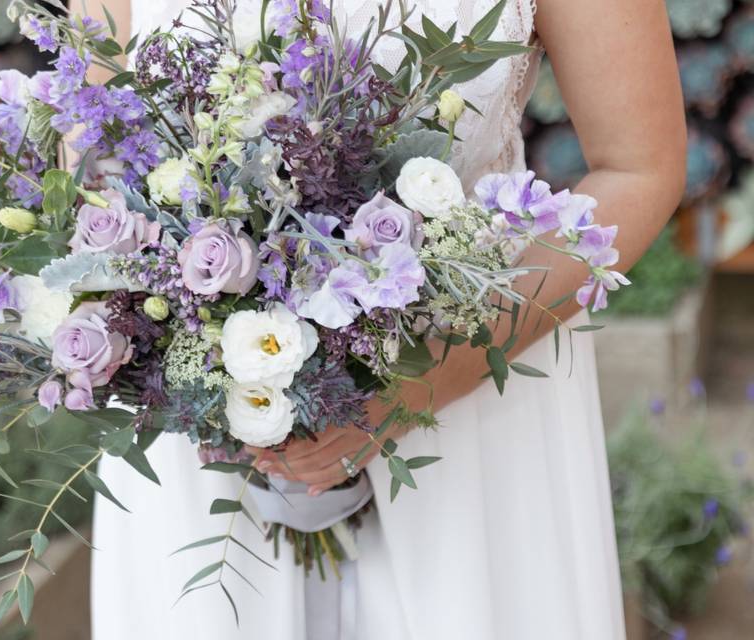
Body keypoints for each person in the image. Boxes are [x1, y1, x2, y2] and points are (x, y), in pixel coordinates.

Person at [86, 1, 687, 638]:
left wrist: (425, 384)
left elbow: (640, 168)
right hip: (206, 436)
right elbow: (91, 162)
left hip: (468, 412)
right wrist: (197, 358)